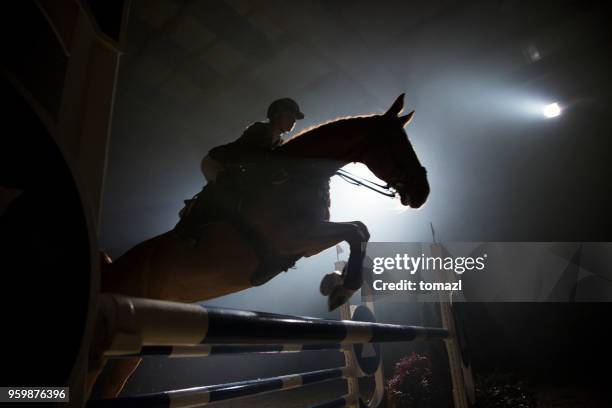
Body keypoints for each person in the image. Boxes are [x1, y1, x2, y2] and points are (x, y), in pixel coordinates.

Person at [201, 98, 304, 183]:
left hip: (233, 168)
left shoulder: (279, 142)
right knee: (229, 187)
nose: (294, 120)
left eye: (295, 118)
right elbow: (253, 157)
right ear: (277, 114)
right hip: (215, 162)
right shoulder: (259, 129)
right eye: (290, 116)